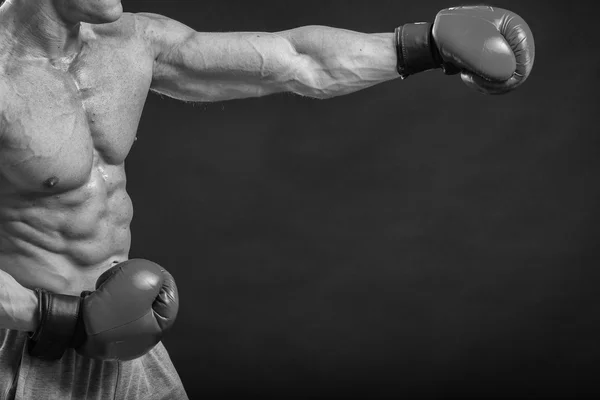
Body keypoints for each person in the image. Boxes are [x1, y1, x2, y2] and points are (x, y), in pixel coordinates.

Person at [0, 0, 535, 399]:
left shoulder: (132, 41)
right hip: (27, 344)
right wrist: (55, 316)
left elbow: (297, 60)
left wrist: (423, 46)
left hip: (129, 334)